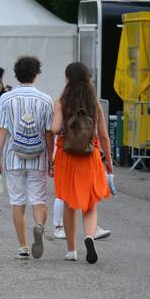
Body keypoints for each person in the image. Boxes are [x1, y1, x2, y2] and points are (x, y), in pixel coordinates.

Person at [0, 56, 54, 260]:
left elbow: (2, 130)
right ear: (36, 74)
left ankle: (23, 246)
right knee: (38, 199)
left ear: (17, 75)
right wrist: (51, 157)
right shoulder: (46, 100)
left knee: (18, 202)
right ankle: (39, 225)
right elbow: (48, 132)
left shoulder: (6, 98)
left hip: (13, 156)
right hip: (38, 156)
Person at [51, 62, 113, 264]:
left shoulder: (61, 102)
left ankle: (71, 250)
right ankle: (89, 237)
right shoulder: (94, 104)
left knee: (69, 203)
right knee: (90, 204)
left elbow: (54, 128)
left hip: (67, 156)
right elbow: (103, 136)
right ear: (87, 80)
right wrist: (109, 162)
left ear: (68, 78)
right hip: (90, 155)